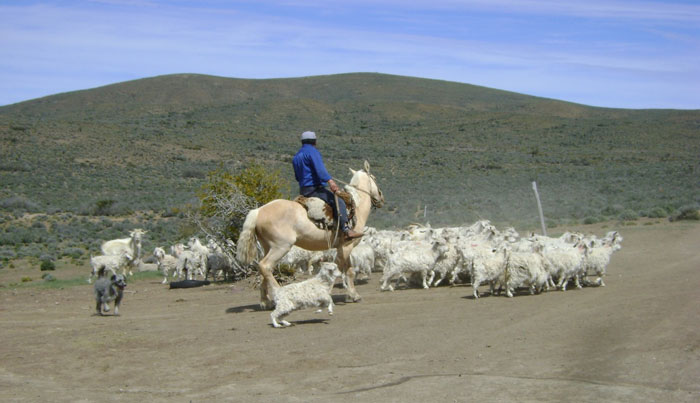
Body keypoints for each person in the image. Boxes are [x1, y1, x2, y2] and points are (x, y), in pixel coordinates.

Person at [292, 131, 364, 240]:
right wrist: (330, 181)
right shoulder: (312, 152)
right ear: (314, 142)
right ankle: (346, 230)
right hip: (315, 189)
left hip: (303, 190)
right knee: (339, 202)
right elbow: (320, 171)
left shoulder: (296, 156)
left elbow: (297, 177)